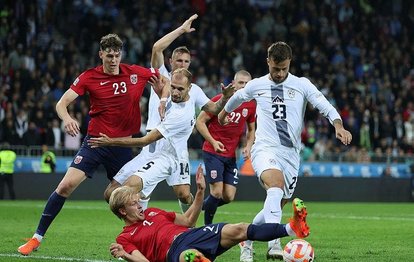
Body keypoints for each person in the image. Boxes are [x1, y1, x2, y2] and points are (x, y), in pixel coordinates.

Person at [18, 33, 166, 256]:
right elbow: (61, 103)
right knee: (65, 186)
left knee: (133, 197)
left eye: (117, 55)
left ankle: (143, 244)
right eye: (109, 56)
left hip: (123, 146)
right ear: (101, 55)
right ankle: (36, 238)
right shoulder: (89, 77)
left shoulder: (135, 72)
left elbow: (164, 81)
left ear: (121, 54)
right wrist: (67, 118)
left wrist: (162, 99)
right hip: (96, 142)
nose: (113, 60)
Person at [218, 42, 352, 261]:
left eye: (284, 69)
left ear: (290, 63)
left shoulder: (301, 84)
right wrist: (223, 113)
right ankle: (273, 244)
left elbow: (324, 104)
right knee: (275, 185)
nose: (280, 73)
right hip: (265, 148)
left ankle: (246, 238)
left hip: (291, 154)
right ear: (268, 62)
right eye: (275, 68)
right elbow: (238, 97)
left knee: (279, 200)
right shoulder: (258, 84)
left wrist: (338, 125)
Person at [96, 14, 220, 213]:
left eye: (186, 61)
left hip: (176, 149)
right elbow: (156, 48)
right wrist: (181, 30)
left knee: (183, 194)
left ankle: (187, 210)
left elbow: (212, 109)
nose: (182, 64)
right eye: (178, 60)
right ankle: (140, 224)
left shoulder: (194, 89)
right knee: (125, 190)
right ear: (170, 61)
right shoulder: (160, 76)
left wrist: (230, 98)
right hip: (153, 142)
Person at [88, 68, 234, 209]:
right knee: (110, 194)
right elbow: (214, 108)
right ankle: (142, 213)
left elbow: (144, 140)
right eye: (174, 87)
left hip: (170, 156)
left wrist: (110, 141)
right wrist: (160, 95)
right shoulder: (170, 92)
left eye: (180, 89)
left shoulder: (181, 115)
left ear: (190, 88)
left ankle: (190, 212)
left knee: (182, 195)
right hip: (152, 150)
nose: (175, 92)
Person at [108, 165, 310, 262]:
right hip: (172, 253)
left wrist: (201, 192)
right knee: (191, 257)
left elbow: (187, 220)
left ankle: (291, 228)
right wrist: (125, 255)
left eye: (138, 201)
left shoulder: (152, 211)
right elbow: (143, 261)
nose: (141, 206)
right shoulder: (124, 237)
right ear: (123, 211)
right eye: (135, 204)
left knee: (239, 228)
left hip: (192, 234)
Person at [196, 70, 256, 225]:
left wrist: (248, 146)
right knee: (216, 192)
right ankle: (207, 229)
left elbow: (251, 130)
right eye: (241, 83)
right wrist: (213, 141)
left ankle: (198, 207)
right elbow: (200, 122)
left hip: (230, 156)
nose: (244, 86)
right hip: (212, 151)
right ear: (234, 84)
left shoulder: (250, 105)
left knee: (228, 196)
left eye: (247, 84)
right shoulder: (220, 101)